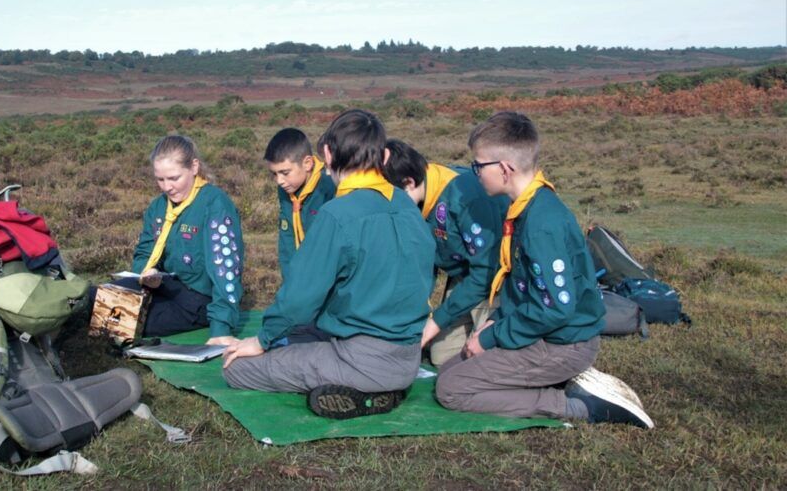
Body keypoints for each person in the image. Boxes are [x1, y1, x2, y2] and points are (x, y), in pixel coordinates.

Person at [435, 112, 653, 428]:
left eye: (479, 165)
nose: (476, 173)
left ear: (504, 169)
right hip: (543, 333)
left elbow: (555, 309)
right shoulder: (527, 206)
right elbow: (521, 288)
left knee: (451, 390)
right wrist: (492, 326)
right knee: (449, 371)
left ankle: (581, 405)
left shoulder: (541, 224)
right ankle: (554, 380)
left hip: (563, 342)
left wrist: (491, 336)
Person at [223, 110, 435, 419]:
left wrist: (262, 339)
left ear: (327, 154)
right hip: (408, 355)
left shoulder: (337, 214)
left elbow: (299, 300)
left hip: (360, 357)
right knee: (298, 338)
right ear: (385, 155)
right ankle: (372, 384)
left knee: (237, 368)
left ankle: (369, 391)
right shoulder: (407, 204)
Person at [382, 139, 509, 366]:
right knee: (441, 356)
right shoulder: (419, 198)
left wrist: (436, 322)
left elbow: (486, 271)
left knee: (478, 359)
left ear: (409, 183)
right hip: (463, 275)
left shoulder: (466, 198)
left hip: (496, 279)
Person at [116, 135, 243, 345]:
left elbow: (225, 271)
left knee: (130, 321)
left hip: (199, 298)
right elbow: (145, 251)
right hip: (164, 286)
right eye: (160, 179)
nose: (167, 187)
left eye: (174, 178)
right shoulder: (158, 206)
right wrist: (146, 273)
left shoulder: (215, 204)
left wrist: (221, 328)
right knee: (98, 297)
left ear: (194, 167)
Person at [263, 128, 337, 276]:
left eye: (285, 173)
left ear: (307, 163)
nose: (279, 181)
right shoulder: (287, 190)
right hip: (298, 276)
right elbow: (287, 237)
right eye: (274, 174)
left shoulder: (329, 188)